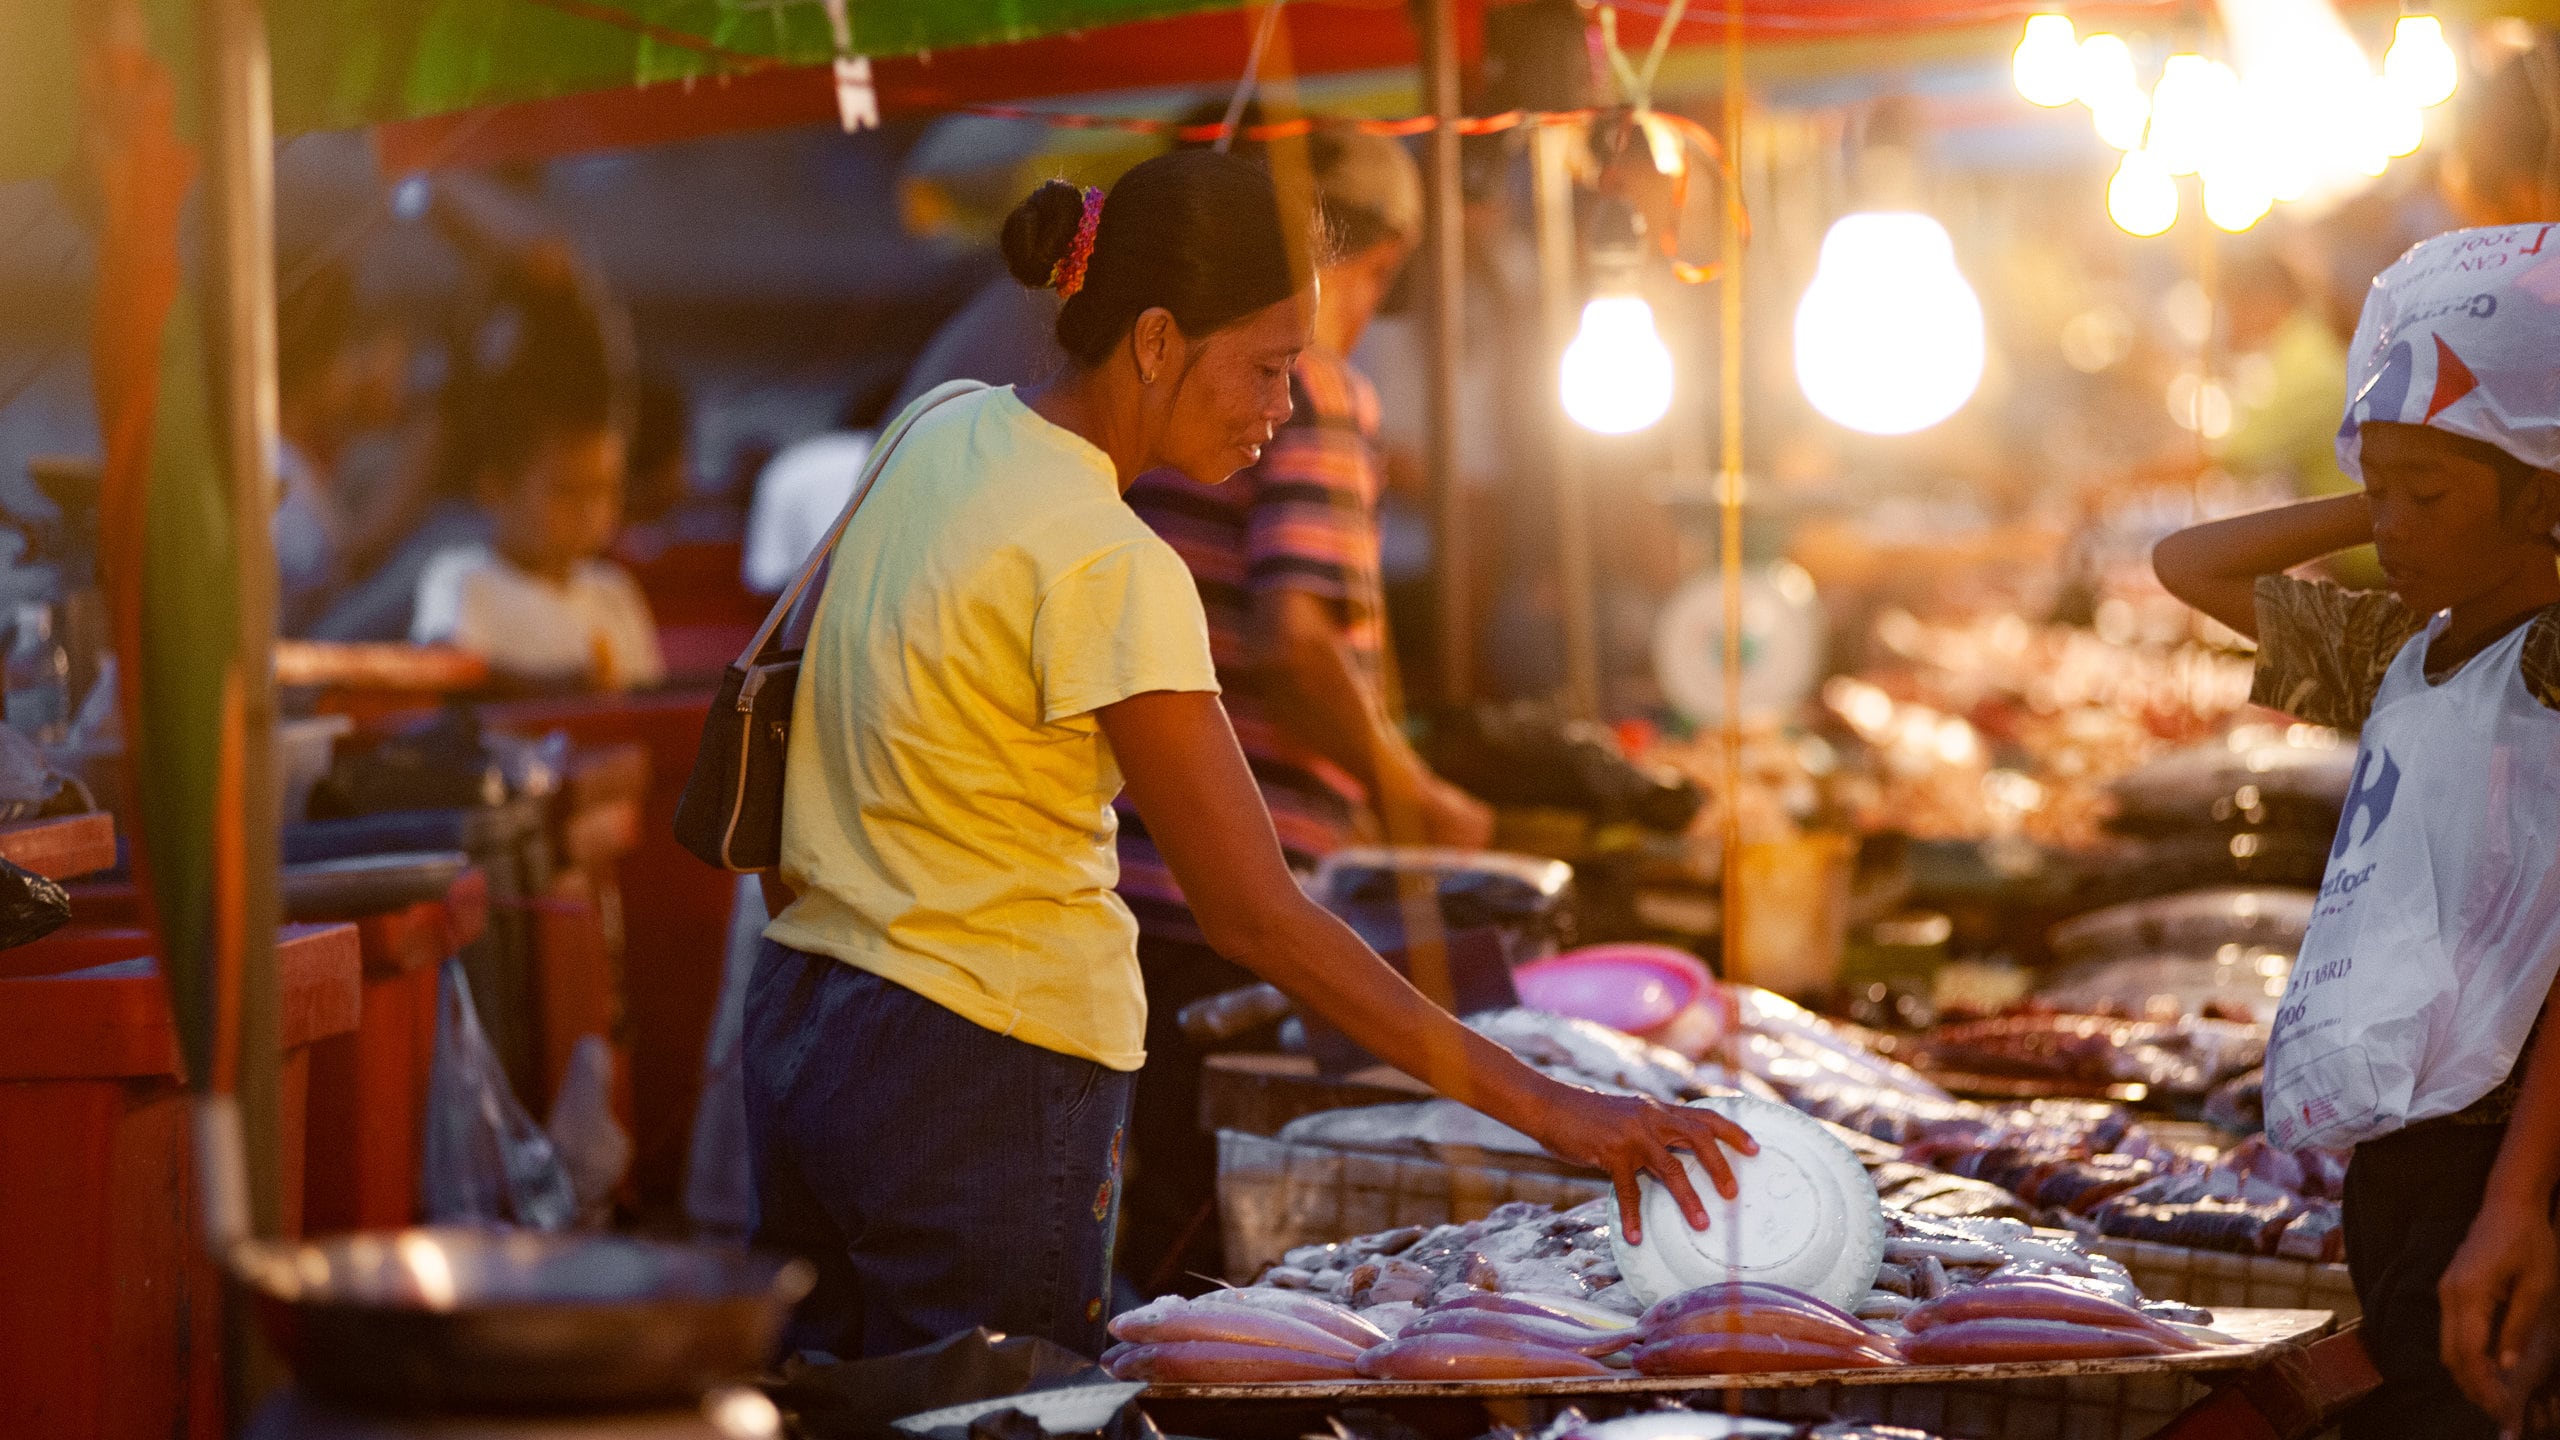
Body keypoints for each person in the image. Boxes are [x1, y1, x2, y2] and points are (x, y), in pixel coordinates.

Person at [744, 150, 1754, 1362]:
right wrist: (1553, 1108)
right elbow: (1256, 915)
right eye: (1270, 368)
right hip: (981, 1070)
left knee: (836, 1398)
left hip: (805, 1026)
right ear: (1159, 338)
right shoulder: (1109, 564)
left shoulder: (935, 427)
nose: (1284, 407)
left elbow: (793, 709)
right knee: (995, 1407)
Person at [2152, 224, 2560, 1439]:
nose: (2390, 522)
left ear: (2539, 492)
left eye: (2426, 497)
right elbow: (2185, 562)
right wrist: (2394, 472)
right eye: (2377, 490)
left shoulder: (2545, 661)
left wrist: (2518, 1203)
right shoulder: (2398, 650)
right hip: (2409, 1146)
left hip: (2512, 1150)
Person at [1112, 131, 1494, 1295]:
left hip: (1133, 872)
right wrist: (1422, 804)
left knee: (1138, 1244)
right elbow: (1298, 642)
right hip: (1220, 888)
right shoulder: (1313, 387)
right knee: (1188, 1265)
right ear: (1367, 259)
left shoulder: (1158, 396)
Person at [410, 385, 666, 692]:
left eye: (603, 491)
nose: (588, 512)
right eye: (567, 491)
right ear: (497, 490)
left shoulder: (614, 592)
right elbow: (443, 665)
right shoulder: (461, 577)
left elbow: (649, 696)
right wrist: (561, 688)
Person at [274, 260, 411, 634]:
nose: (398, 375)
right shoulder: (278, 481)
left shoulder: (303, 468)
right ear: (331, 364)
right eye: (385, 347)